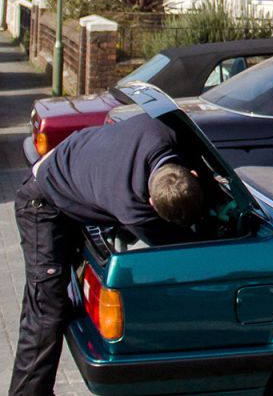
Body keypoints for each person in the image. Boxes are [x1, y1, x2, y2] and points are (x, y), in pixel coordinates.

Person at [8, 114, 204, 396]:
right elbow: (174, 250)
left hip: (71, 176)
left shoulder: (163, 130)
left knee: (48, 301)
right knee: (46, 311)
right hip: (42, 203)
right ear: (150, 202)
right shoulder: (130, 206)